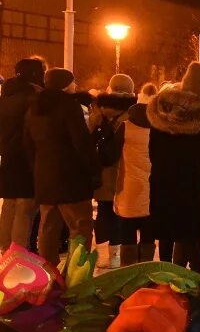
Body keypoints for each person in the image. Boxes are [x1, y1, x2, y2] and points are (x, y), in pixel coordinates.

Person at [148, 62, 200, 271]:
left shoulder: (162, 108)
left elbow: (153, 149)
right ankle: (195, 272)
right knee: (190, 230)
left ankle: (164, 271)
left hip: (163, 180)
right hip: (191, 184)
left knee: (166, 230)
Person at [24, 68, 98, 265]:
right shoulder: (69, 106)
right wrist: (93, 169)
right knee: (80, 225)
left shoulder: (34, 107)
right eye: (72, 82)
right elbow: (81, 143)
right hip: (70, 177)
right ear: (65, 84)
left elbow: (28, 143)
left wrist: (37, 169)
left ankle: (50, 272)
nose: (75, 86)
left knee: (48, 226)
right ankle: (77, 270)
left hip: (45, 176)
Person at [90, 74, 138, 268]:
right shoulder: (132, 114)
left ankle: (104, 254)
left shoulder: (99, 111)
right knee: (122, 215)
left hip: (104, 170)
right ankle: (117, 256)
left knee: (104, 212)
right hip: (125, 169)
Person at [0, 58, 45, 251]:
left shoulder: (6, 97)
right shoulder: (35, 97)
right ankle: (18, 252)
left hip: (8, 157)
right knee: (25, 209)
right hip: (29, 158)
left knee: (9, 204)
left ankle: (4, 248)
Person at [115, 83, 157, 265]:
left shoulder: (125, 127)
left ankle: (127, 270)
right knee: (149, 232)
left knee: (127, 230)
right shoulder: (159, 127)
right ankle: (146, 268)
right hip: (153, 187)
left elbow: (111, 154)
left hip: (128, 187)